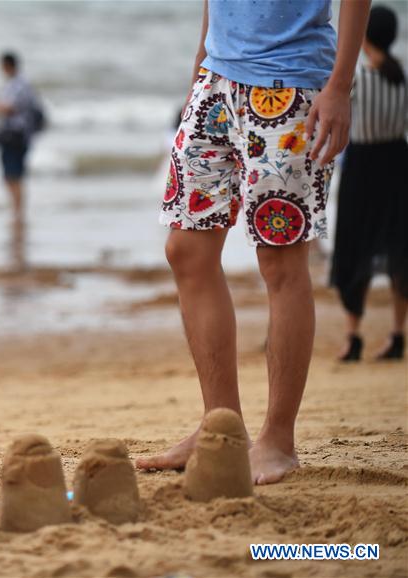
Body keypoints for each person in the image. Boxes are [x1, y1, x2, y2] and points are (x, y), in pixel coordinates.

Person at [140, 0, 370, 484]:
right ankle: (221, 429)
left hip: (290, 84)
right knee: (186, 251)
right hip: (214, 82)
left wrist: (340, 87)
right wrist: (198, 77)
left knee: (281, 262)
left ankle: (278, 441)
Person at [331, 5, 407, 362]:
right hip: (397, 166)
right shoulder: (402, 76)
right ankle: (397, 334)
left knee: (353, 250)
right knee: (400, 253)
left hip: (362, 171)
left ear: (364, 35)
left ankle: (353, 336)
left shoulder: (356, 78)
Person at [0, 51, 42, 267]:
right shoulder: (22, 84)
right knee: (12, 175)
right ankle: (17, 210)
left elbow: (9, 107)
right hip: (20, 135)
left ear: (7, 66)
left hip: (16, 135)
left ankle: (18, 211)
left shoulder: (17, 85)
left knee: (13, 174)